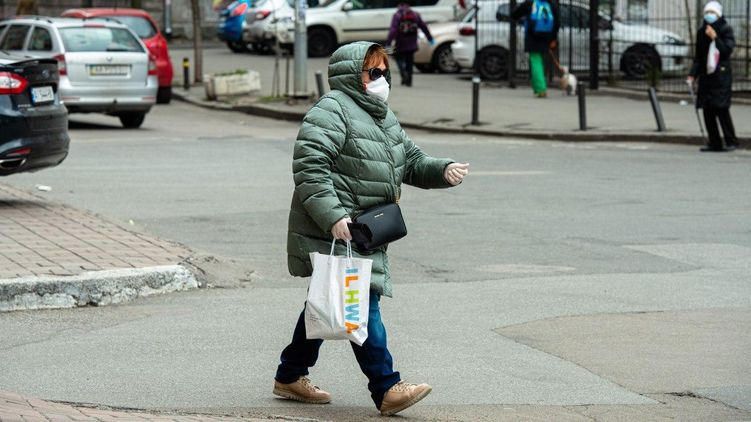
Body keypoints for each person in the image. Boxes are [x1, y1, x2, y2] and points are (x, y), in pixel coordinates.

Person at [273, 41, 470, 416]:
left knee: (327, 301)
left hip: (365, 230)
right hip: (339, 229)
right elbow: (310, 167)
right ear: (353, 75)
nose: (381, 79)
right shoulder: (332, 111)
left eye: (384, 72)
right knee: (361, 304)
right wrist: (333, 217)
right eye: (373, 72)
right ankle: (387, 387)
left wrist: (442, 170)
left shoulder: (380, 113)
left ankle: (290, 375)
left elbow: (409, 159)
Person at [688, 1, 738, 152]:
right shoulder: (701, 32)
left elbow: (726, 51)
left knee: (721, 108)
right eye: (707, 13)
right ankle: (714, 141)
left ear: (719, 14)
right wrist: (692, 74)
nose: (709, 16)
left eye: (713, 13)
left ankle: (731, 141)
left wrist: (715, 37)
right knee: (708, 109)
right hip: (706, 75)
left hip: (720, 75)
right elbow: (699, 56)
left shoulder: (725, 29)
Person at [510, 0, 560, 97]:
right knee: (540, 62)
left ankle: (541, 89)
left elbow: (514, 14)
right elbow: (557, 22)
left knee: (535, 61)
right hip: (547, 37)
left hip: (533, 36)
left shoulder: (529, 3)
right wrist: (553, 38)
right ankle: (537, 87)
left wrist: (522, 18)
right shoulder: (550, 4)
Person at [386, 3, 435, 87]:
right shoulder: (415, 14)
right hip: (412, 43)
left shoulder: (397, 15)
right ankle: (409, 81)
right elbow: (424, 27)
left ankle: (403, 74)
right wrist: (430, 38)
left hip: (400, 42)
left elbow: (393, 30)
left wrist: (388, 43)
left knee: (398, 58)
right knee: (410, 62)